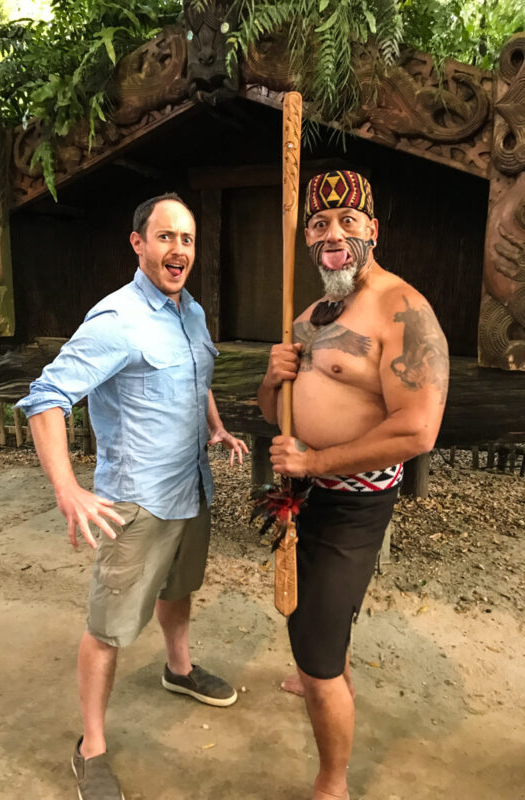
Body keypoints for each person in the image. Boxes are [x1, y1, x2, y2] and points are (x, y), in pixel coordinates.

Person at [16, 193, 248, 800]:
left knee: (180, 589)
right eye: (166, 237)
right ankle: (90, 748)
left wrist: (215, 425)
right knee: (109, 628)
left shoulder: (189, 312)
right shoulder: (117, 321)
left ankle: (178, 668)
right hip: (137, 502)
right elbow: (46, 398)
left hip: (190, 486)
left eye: (188, 240)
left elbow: (197, 377)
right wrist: (68, 489)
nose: (179, 250)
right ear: (138, 243)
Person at [257, 170, 449, 800]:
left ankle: (331, 783)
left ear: (372, 229)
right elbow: (272, 411)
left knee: (312, 653)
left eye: (347, 221)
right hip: (303, 494)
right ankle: (325, 659)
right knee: (307, 609)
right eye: (319, 224)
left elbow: (417, 431)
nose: (333, 234)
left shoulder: (405, 310)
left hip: (354, 502)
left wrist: (315, 463)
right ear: (308, 240)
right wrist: (271, 375)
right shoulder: (311, 315)